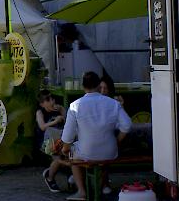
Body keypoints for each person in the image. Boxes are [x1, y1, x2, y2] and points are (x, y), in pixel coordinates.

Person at [61, 72, 132, 201]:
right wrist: (117, 141)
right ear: (99, 86)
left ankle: (82, 192)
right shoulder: (113, 103)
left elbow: (67, 136)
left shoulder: (75, 105)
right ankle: (102, 185)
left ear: (83, 86)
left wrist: (65, 149)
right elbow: (127, 125)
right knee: (97, 153)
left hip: (87, 153)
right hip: (110, 152)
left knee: (71, 153)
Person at [36, 90, 67, 193]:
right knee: (59, 159)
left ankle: (52, 172)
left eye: (52, 98)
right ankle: (50, 178)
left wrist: (63, 112)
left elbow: (68, 123)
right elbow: (42, 127)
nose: (52, 101)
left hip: (60, 138)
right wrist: (55, 121)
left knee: (69, 155)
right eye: (48, 100)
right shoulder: (40, 112)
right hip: (46, 141)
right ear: (42, 104)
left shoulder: (59, 109)